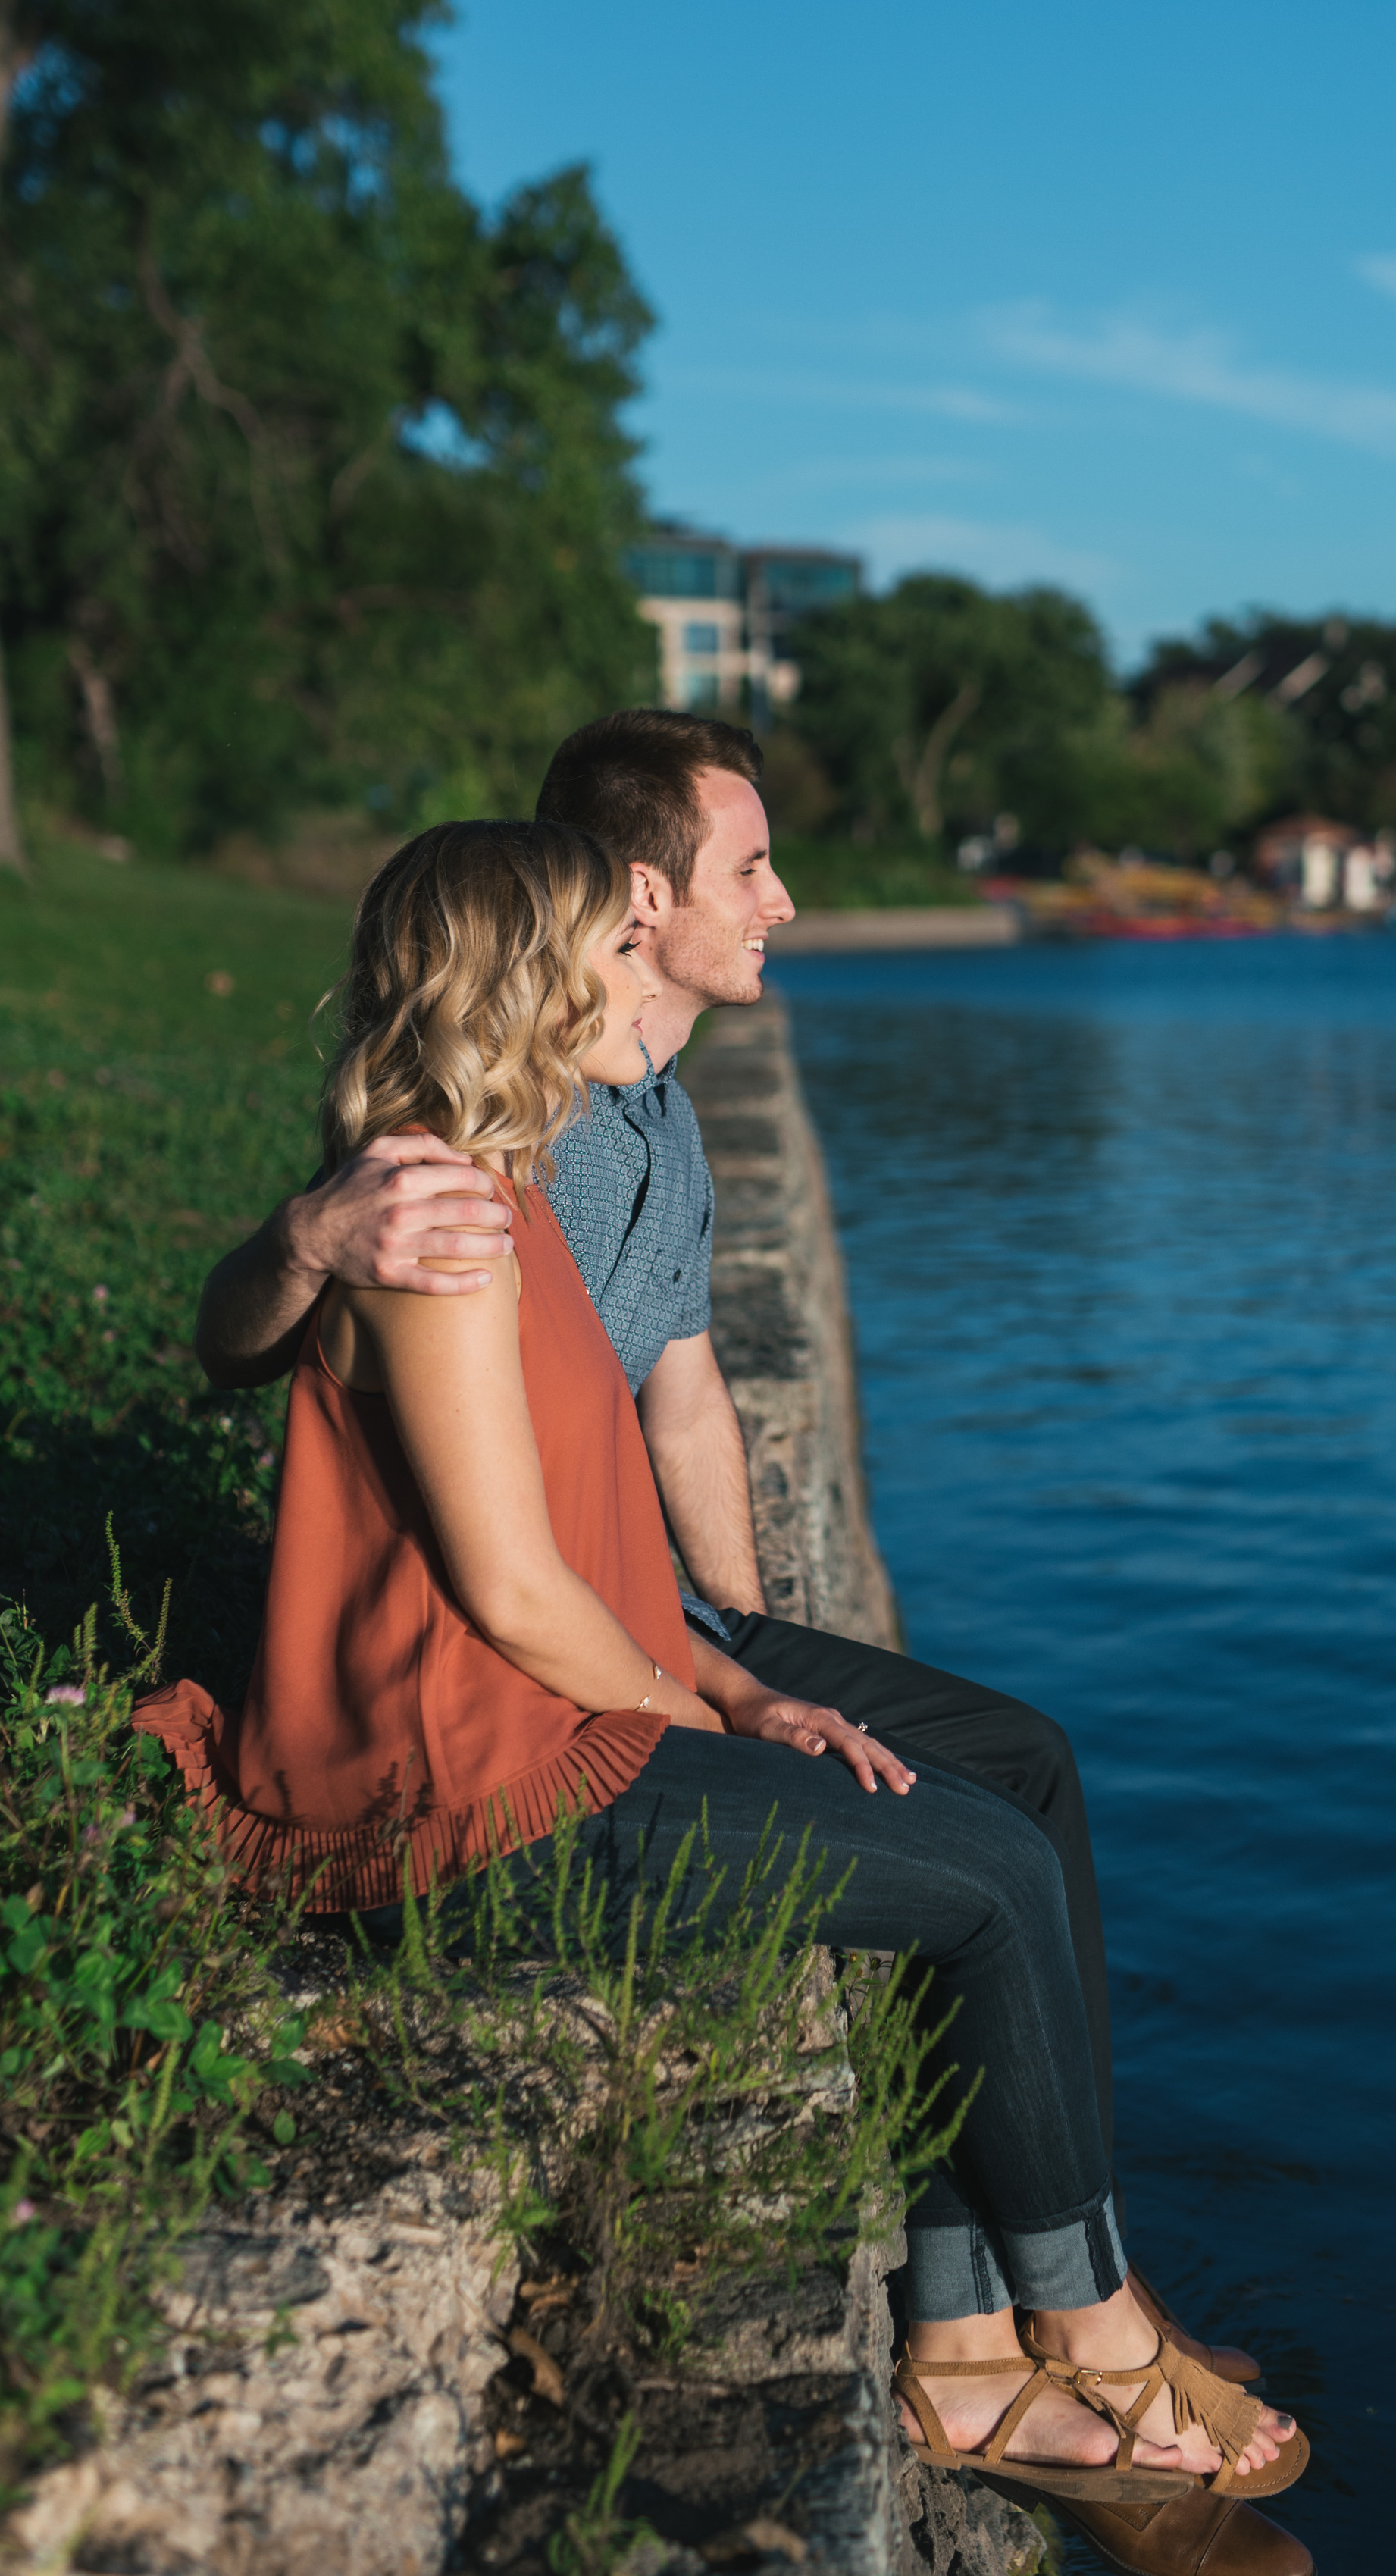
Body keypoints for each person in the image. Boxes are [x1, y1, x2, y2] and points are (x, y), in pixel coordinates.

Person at [193, 725, 1316, 2574]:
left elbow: (639, 1463)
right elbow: (507, 1585)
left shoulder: (537, 1165)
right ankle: (1088, 2334)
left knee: (999, 1812)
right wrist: (727, 1704)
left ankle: (982, 2341)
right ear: (541, 966)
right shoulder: (448, 1214)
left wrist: (740, 1663)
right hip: (479, 1781)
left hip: (573, 1698)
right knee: (978, 1872)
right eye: (602, 943)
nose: (629, 968)